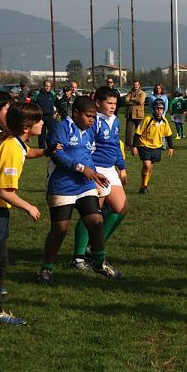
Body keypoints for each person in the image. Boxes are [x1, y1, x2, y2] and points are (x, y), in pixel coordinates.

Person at [36, 96, 121, 285]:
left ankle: (99, 263)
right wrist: (83, 169)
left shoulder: (88, 131)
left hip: (84, 185)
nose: (92, 120)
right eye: (88, 116)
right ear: (75, 113)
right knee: (60, 229)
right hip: (62, 185)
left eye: (93, 116)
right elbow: (58, 155)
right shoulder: (60, 128)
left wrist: (95, 174)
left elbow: (86, 156)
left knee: (96, 221)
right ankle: (45, 268)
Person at [0, 103, 44, 325]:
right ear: (27, 126)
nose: (42, 123)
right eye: (38, 120)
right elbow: (5, 192)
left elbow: (28, 152)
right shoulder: (11, 147)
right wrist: (29, 207)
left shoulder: (15, 143)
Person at [71, 87, 128, 270]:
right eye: (109, 103)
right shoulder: (94, 122)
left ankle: (94, 246)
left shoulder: (116, 120)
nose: (113, 107)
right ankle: (78, 257)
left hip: (110, 169)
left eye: (115, 103)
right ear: (98, 103)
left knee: (121, 208)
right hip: (96, 169)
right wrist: (92, 171)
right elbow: (86, 147)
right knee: (93, 213)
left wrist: (122, 167)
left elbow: (115, 145)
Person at [132, 101, 174, 194]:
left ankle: (144, 186)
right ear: (154, 109)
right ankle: (144, 185)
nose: (159, 111)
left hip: (157, 146)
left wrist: (171, 147)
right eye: (157, 108)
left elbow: (168, 135)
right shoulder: (147, 119)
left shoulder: (164, 121)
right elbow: (137, 133)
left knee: (150, 168)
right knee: (146, 165)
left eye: (162, 109)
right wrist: (134, 146)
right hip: (144, 145)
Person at [32, 80, 57, 149]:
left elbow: (57, 104)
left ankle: (52, 146)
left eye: (49, 86)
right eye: (46, 86)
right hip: (41, 117)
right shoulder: (37, 94)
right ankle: (42, 148)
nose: (47, 88)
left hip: (51, 117)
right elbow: (33, 104)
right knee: (41, 133)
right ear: (43, 86)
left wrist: (56, 113)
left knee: (52, 133)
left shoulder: (53, 94)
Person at [124, 80, 147, 149]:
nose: (135, 86)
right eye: (134, 85)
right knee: (128, 131)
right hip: (130, 114)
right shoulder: (130, 92)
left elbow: (140, 101)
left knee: (139, 130)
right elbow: (126, 100)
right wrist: (134, 101)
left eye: (136, 85)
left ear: (139, 85)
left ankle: (139, 144)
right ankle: (128, 145)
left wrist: (132, 99)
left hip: (138, 114)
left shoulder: (142, 93)